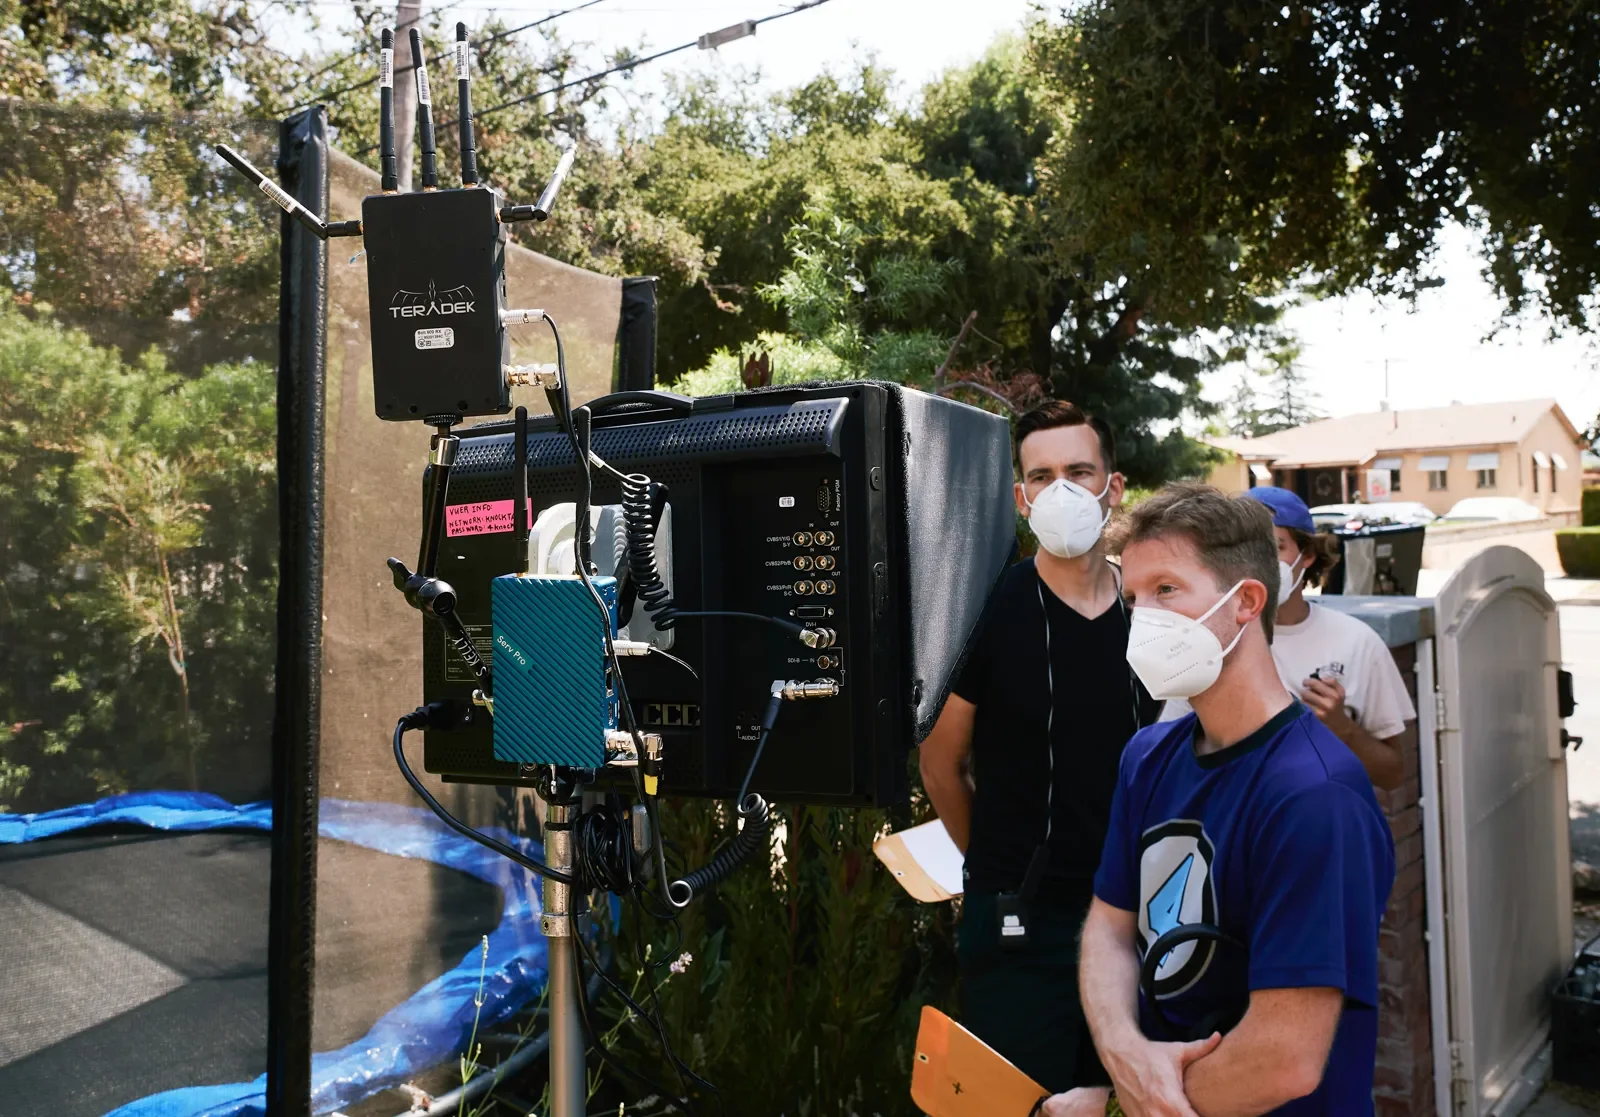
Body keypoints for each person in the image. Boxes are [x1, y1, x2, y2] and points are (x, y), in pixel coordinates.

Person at [1043, 483, 1395, 1117]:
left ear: (1245, 603)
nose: (1141, 618)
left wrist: (1124, 1108)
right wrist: (1122, 1052)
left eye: (1167, 590)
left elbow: (1284, 1058)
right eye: (1133, 597)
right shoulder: (1147, 758)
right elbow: (1110, 929)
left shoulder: (1316, 797)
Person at [919, 400, 1159, 1094]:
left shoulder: (1151, 610)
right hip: (1025, 927)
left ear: (1112, 487)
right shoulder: (992, 608)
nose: (1061, 490)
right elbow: (940, 761)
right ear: (1022, 498)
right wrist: (996, 870)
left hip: (1142, 915)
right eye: (1042, 475)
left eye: (1079, 471)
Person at [1158, 486, 1413, 791]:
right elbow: (1166, 763)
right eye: (1243, 551)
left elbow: (1392, 774)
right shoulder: (1206, 644)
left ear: (1307, 555)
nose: (1258, 563)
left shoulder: (1358, 643)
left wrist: (1343, 730)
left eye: (1274, 547)